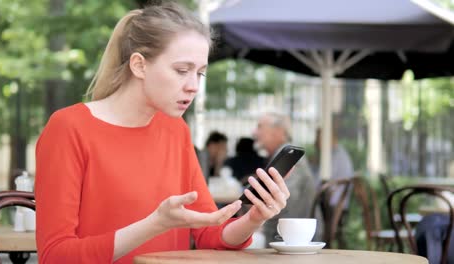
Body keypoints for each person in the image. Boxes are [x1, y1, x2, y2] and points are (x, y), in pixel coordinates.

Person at [35, 3, 291, 263]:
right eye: (181, 71)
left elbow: (208, 232)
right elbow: (55, 256)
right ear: (139, 65)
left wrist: (252, 219)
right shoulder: (69, 128)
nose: (193, 87)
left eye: (200, 73)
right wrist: (155, 224)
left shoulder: (175, 130)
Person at [253, 112, 321, 245]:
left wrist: (255, 222)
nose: (254, 132)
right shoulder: (284, 155)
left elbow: (285, 200)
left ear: (278, 132)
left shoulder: (289, 159)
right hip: (285, 233)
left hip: (291, 238)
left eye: (260, 127)